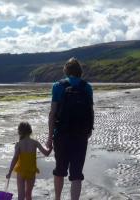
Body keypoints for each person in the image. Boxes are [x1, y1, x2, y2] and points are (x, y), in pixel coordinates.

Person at [47, 57, 94, 200]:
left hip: (61, 134)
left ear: (66, 71)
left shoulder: (57, 86)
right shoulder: (87, 87)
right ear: (80, 71)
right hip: (80, 135)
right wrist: (89, 131)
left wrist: (50, 137)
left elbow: (52, 113)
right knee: (76, 174)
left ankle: (57, 199)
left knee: (59, 171)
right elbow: (91, 111)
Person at [6, 122, 52, 200]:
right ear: (30, 131)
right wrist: (51, 147)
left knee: (21, 195)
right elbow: (46, 153)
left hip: (21, 171)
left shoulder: (19, 144)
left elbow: (15, 158)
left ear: (20, 132)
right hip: (31, 171)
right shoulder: (35, 143)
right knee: (28, 195)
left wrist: (10, 172)